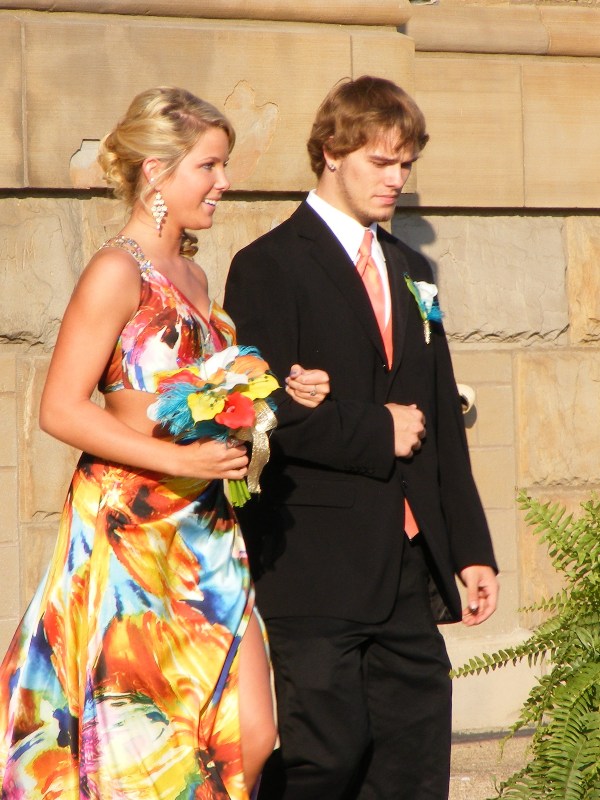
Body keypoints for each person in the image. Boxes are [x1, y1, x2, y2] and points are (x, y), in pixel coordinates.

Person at [0, 86, 329, 800]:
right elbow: (60, 408)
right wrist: (181, 460)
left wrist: (275, 394)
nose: (224, 181)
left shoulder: (197, 274)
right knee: (145, 753)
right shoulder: (117, 272)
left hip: (207, 527)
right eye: (209, 165)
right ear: (156, 170)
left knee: (250, 733)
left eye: (223, 165)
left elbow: (198, 398)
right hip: (133, 533)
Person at [224, 75, 499, 800]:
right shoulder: (267, 266)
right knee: (323, 763)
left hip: (407, 565)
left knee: (414, 767)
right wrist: (378, 428)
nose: (397, 179)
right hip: (313, 564)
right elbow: (257, 413)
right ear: (330, 153)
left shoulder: (412, 268)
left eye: (406, 164)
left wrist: (469, 548)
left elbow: (440, 419)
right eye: (381, 162)